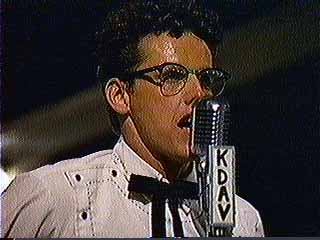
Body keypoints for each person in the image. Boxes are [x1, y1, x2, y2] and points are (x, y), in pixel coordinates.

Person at [1, 0, 264, 237]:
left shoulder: (244, 221)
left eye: (207, 79)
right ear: (120, 95)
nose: (199, 93)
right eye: (172, 75)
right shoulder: (54, 197)